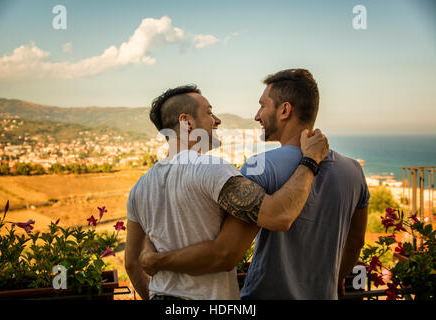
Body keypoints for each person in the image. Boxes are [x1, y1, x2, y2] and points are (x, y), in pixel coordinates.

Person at [139, 69, 369, 300]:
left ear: (284, 110)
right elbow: (356, 241)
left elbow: (226, 252)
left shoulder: (261, 167)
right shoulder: (353, 170)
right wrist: (336, 279)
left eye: (262, 106)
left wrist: (154, 259)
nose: (257, 116)